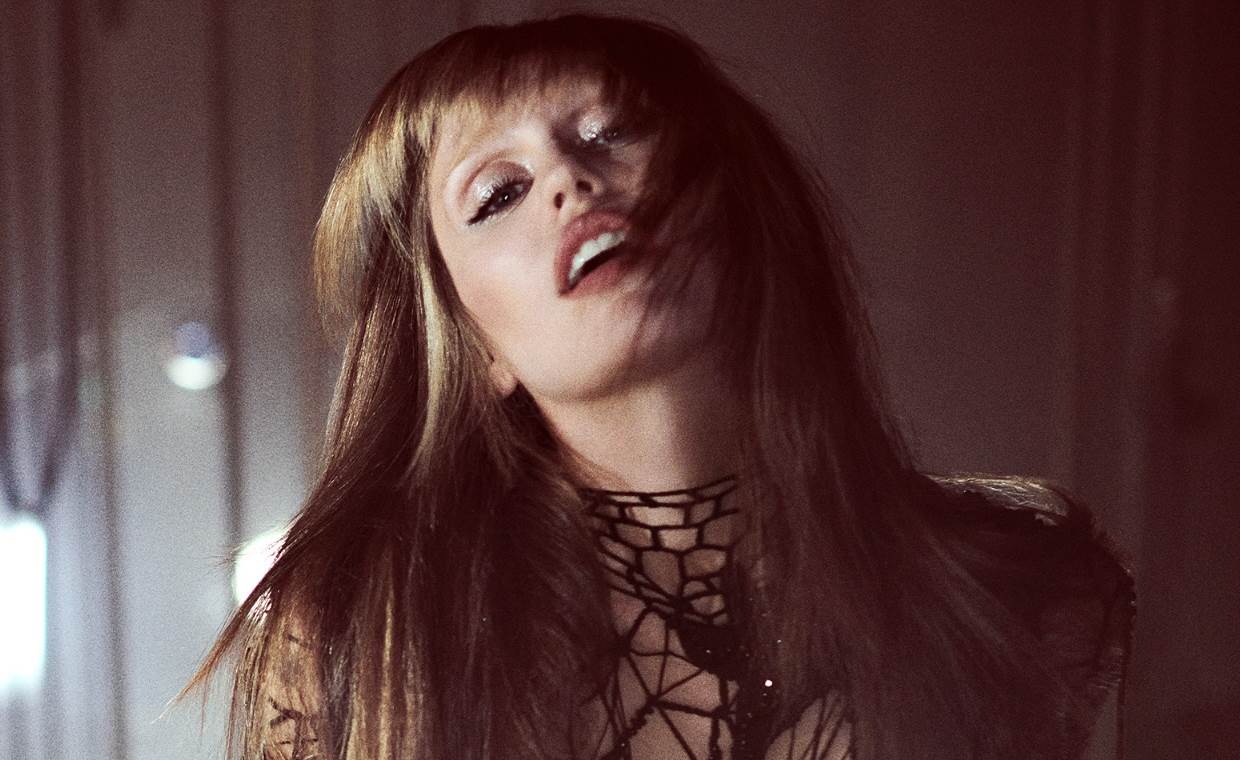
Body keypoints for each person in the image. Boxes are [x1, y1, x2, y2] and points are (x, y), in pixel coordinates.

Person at [188, 13, 1134, 760]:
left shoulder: (1027, 598)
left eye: (614, 131)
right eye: (498, 193)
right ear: (472, 347)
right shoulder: (358, 640)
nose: (569, 178)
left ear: (738, 205)